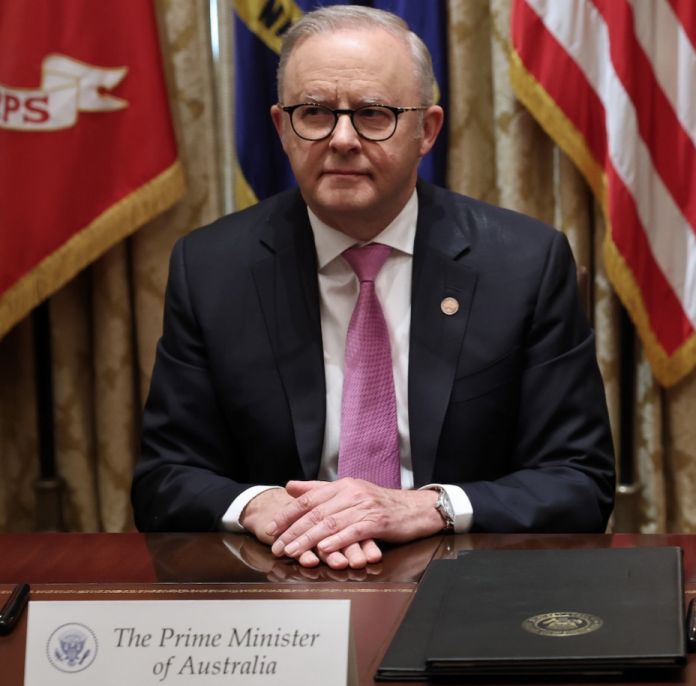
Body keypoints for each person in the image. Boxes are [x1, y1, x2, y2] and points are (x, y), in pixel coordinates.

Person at [132, 6, 614, 570]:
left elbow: (579, 481)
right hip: (282, 586)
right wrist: (257, 504)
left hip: (463, 581)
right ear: (281, 127)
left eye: (373, 114)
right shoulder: (212, 267)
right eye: (313, 112)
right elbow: (165, 475)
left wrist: (427, 507)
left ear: (426, 130)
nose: (341, 139)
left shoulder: (524, 264)